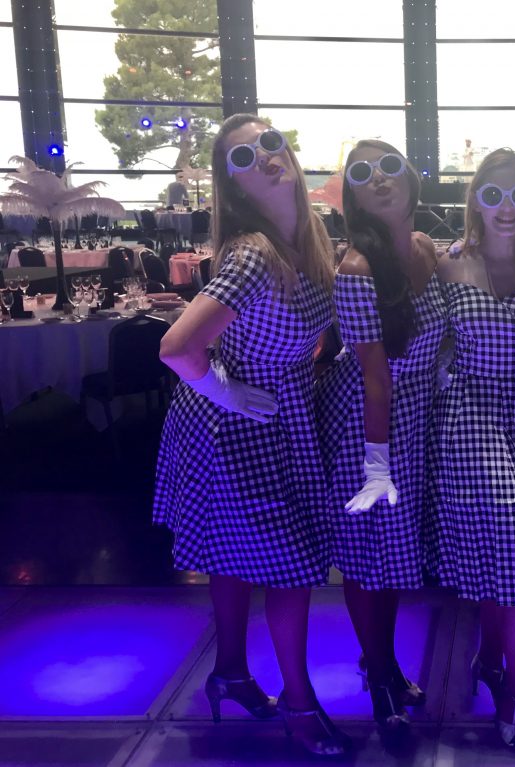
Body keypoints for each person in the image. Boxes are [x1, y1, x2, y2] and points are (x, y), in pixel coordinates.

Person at [154, 113, 348, 756]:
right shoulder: (255, 254)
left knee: (233, 557)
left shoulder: (308, 241)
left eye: (269, 143)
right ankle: (299, 703)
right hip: (235, 423)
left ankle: (231, 673)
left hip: (275, 413)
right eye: (243, 157)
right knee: (292, 567)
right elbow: (176, 346)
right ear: (232, 184)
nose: (264, 156)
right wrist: (227, 392)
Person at [314, 140, 445, 736]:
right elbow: (372, 377)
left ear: (410, 178)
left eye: (390, 166)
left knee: (392, 552)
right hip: (368, 423)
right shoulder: (356, 269)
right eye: (363, 173)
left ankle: (382, 661)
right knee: (368, 558)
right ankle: (381, 677)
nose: (380, 178)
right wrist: (377, 464)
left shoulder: (424, 248)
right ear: (353, 197)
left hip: (412, 412)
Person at [428, 148, 515, 747]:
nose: (506, 207)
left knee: (496, 547)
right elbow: (425, 338)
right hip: (469, 414)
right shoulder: (449, 263)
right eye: (493, 195)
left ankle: (488, 655)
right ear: (475, 201)